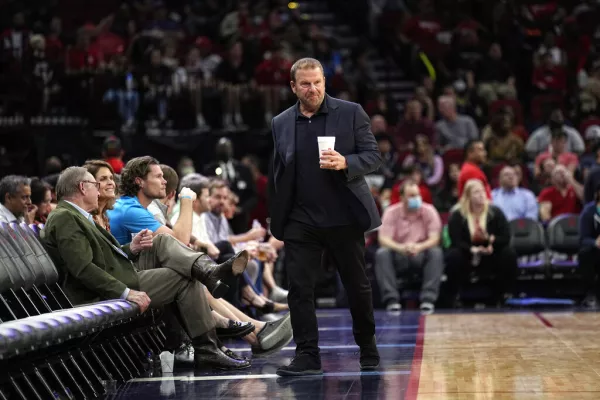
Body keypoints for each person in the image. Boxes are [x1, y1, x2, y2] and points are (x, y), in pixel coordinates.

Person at [40, 167, 251, 369]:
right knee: (183, 277)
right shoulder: (65, 217)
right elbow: (83, 269)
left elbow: (100, 257)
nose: (99, 189)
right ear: (82, 187)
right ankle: (208, 348)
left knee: (161, 242)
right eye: (95, 184)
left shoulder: (76, 215)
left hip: (119, 273)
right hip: (99, 291)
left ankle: (209, 273)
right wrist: (125, 292)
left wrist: (130, 248)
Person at [268, 58, 381, 376]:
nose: (313, 88)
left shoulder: (350, 112)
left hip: (343, 215)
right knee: (299, 288)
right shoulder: (281, 123)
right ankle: (307, 355)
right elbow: (277, 172)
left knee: (357, 286)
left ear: (324, 82)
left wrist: (346, 162)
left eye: (317, 82)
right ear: (293, 87)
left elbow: (373, 156)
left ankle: (368, 347)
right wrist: (275, 215)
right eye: (305, 83)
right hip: (301, 219)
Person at [375, 180, 444, 314]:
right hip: (399, 253)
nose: (416, 198)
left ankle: (428, 300)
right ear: (402, 198)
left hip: (422, 253)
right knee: (382, 253)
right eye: (411, 195)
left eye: (418, 195)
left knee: (436, 253)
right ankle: (392, 300)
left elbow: (435, 238)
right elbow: (383, 239)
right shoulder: (391, 212)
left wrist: (419, 247)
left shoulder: (429, 211)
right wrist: (400, 247)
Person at [445, 179, 517, 305]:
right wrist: (472, 250)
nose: (481, 194)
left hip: (491, 251)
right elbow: (456, 240)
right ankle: (454, 294)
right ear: (468, 196)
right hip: (467, 251)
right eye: (476, 192)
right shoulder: (457, 214)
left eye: (483, 191)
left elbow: (505, 237)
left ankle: (505, 293)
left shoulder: (495, 212)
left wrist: (490, 241)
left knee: (508, 253)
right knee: (453, 256)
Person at [578, 184, 600, 308]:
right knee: (585, 253)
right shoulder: (589, 211)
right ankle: (591, 293)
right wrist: (595, 242)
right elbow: (583, 238)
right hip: (594, 249)